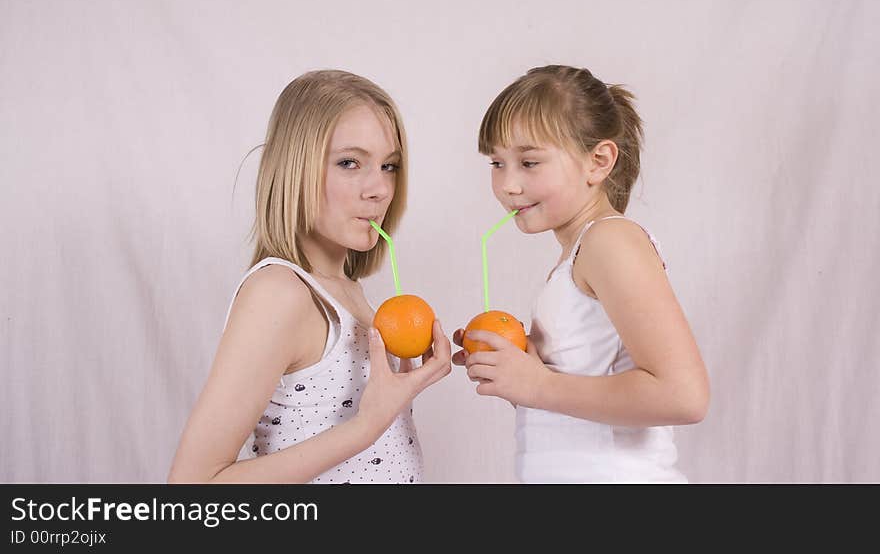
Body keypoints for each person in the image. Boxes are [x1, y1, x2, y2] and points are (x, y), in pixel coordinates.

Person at [168, 70, 451, 483]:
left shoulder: (349, 294)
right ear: (295, 168)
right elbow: (192, 486)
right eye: (350, 163)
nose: (379, 189)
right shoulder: (280, 293)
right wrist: (364, 427)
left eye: (389, 165)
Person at [453, 64, 709, 483]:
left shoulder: (609, 241)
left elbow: (684, 395)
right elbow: (582, 402)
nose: (508, 185)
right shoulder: (579, 255)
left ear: (598, 162)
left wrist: (538, 386)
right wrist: (519, 374)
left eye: (529, 162)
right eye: (497, 163)